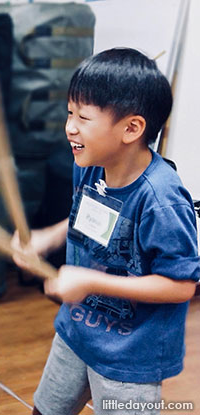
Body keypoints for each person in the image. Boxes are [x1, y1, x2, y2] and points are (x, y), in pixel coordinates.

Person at [12, 48, 199, 415]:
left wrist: (91, 282)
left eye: (83, 117)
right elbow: (87, 218)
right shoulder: (91, 165)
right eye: (70, 113)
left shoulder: (161, 199)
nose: (70, 127)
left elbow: (181, 285)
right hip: (76, 332)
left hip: (131, 356)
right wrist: (47, 237)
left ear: (131, 128)